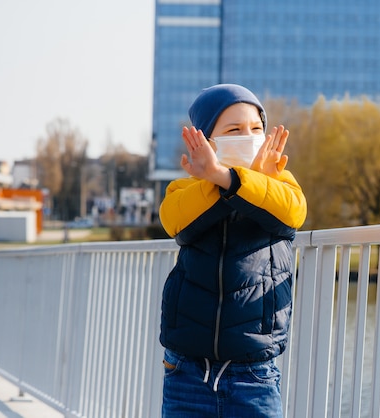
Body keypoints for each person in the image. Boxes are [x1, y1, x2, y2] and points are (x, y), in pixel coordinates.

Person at [158, 83, 307, 417]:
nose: (249, 136)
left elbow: (294, 212)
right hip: (187, 370)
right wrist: (215, 178)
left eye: (256, 129)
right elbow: (173, 220)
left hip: (254, 374)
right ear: (207, 140)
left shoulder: (279, 183)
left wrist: (236, 178)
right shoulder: (186, 188)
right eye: (234, 129)